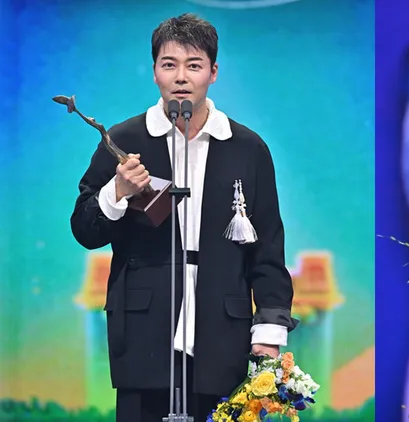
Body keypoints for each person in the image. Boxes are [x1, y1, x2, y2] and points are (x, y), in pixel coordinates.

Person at [70, 13, 297, 422]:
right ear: (154, 72)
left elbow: (268, 250)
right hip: (143, 330)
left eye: (193, 65)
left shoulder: (247, 148)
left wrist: (268, 333)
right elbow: (84, 230)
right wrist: (117, 190)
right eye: (169, 64)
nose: (180, 77)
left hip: (222, 330)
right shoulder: (124, 140)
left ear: (213, 72)